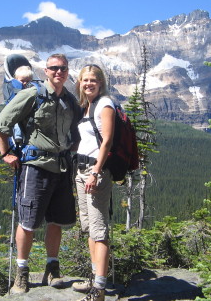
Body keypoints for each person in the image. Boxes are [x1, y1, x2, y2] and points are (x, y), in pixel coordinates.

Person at [0, 53, 80, 294]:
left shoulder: (69, 100)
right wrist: (6, 155)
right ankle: (21, 273)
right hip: (36, 167)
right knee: (28, 222)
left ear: (67, 70)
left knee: (56, 222)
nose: (58, 72)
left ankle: (52, 268)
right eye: (54, 68)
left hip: (62, 167)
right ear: (46, 71)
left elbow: (76, 130)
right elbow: (2, 123)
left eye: (62, 68)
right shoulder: (32, 94)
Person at [73, 64, 115, 301]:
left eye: (93, 80)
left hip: (94, 171)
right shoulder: (87, 106)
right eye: (84, 80)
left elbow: (107, 141)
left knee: (99, 231)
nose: (88, 83)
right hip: (80, 170)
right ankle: (93, 278)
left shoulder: (105, 104)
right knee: (89, 227)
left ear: (100, 82)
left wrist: (96, 172)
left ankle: (99, 289)